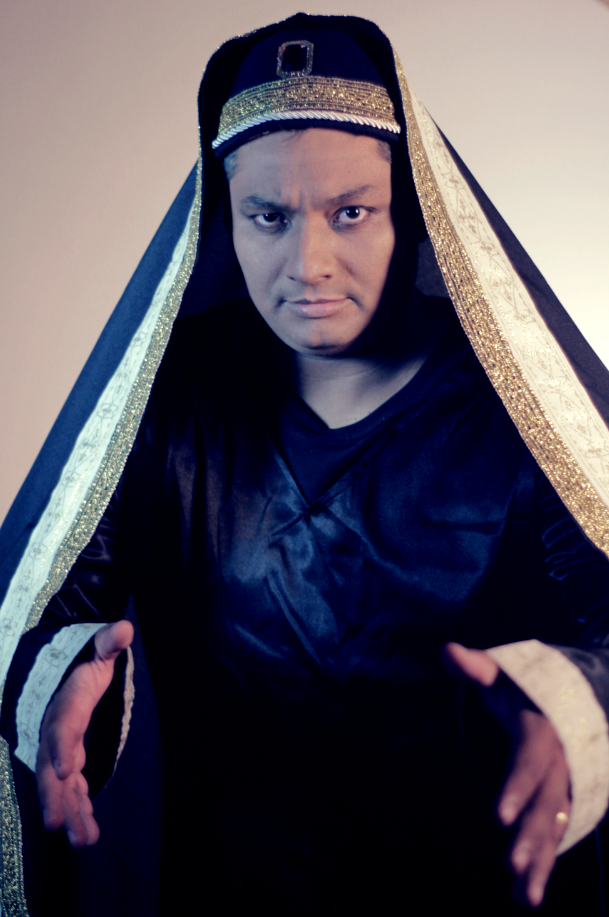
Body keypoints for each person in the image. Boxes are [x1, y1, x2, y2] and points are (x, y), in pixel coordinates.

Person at [1, 13, 609, 916]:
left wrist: (573, 704)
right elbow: (50, 598)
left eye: (349, 212)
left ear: (412, 214)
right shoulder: (173, 394)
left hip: (472, 892)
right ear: (227, 223)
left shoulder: (517, 406)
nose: (307, 262)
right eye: (269, 217)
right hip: (226, 889)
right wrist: (61, 677)